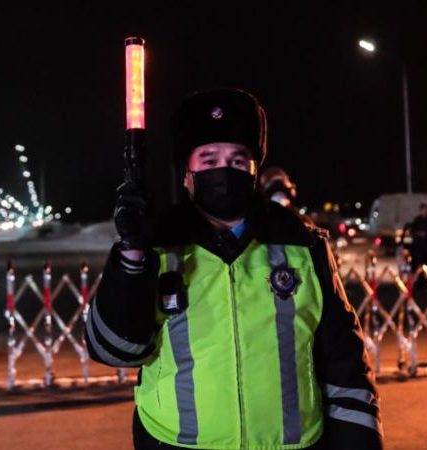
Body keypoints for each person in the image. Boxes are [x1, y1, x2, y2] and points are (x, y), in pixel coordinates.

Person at [86, 89, 382, 449]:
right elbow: (115, 350)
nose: (224, 171)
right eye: (209, 159)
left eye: (238, 160)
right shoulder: (157, 245)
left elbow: (344, 362)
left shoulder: (303, 244)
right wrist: (132, 253)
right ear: (187, 174)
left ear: (254, 171)